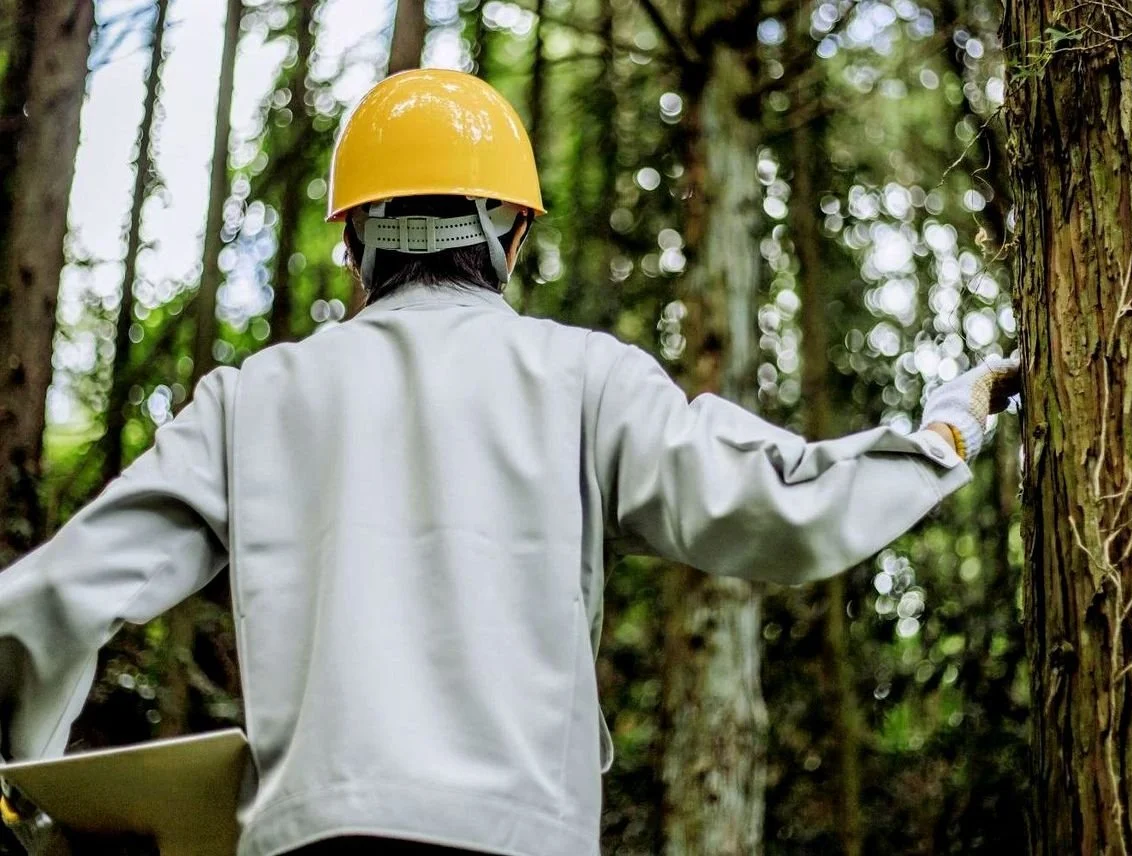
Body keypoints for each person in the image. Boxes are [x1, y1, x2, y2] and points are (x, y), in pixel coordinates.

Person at [0, 69, 1019, 856]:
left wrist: (21, 790)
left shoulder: (251, 398)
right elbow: (782, 507)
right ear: (514, 234)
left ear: (353, 240)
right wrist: (943, 435)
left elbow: (61, 597)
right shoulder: (583, 376)